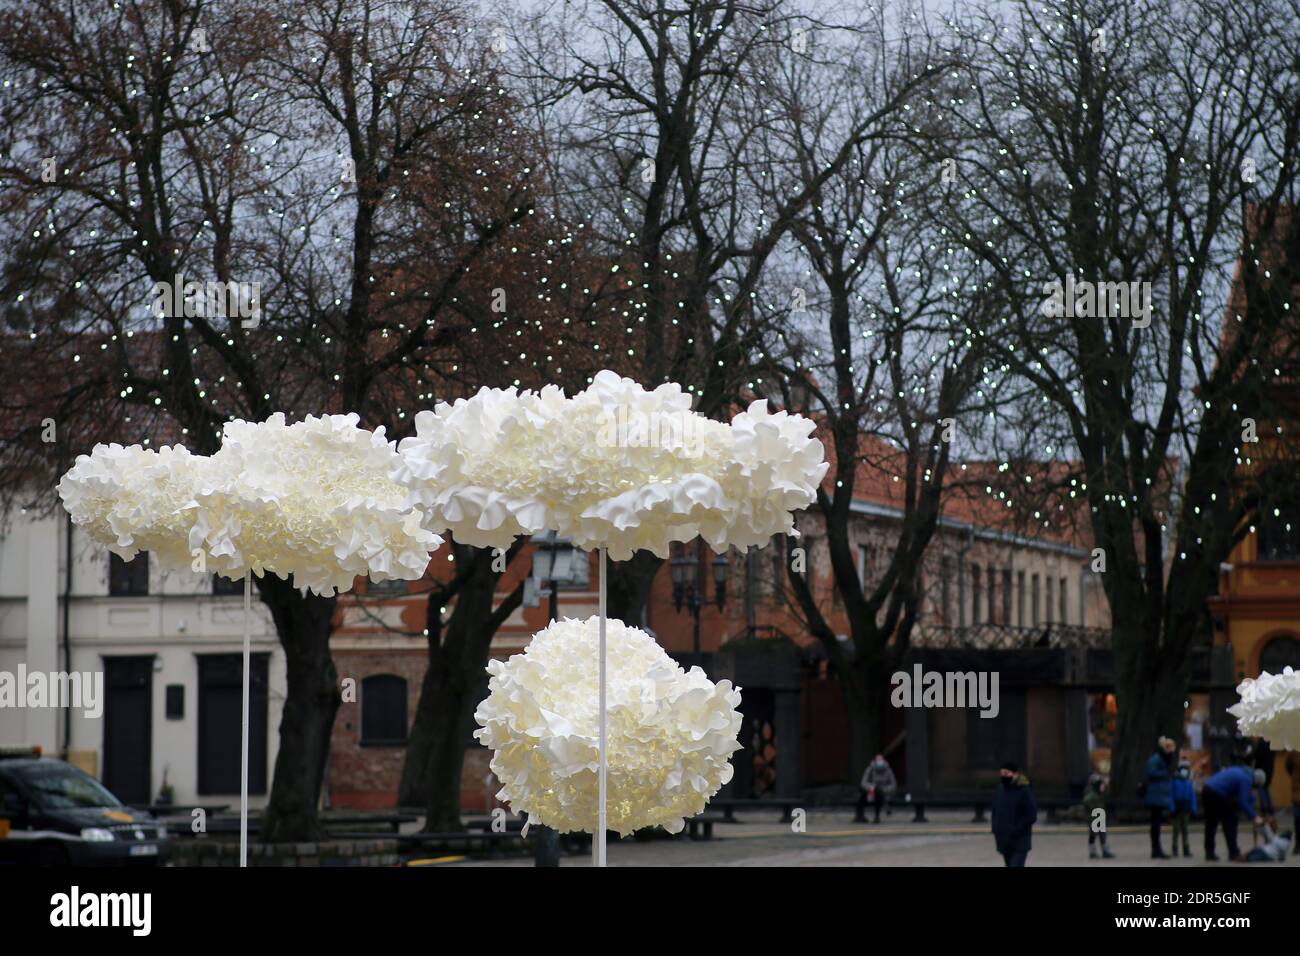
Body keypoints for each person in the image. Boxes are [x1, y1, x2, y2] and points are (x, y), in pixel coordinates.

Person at [1202, 764, 1266, 862]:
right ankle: (1233, 853)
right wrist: (1254, 817)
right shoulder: (1247, 779)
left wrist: (1251, 806)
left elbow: (1247, 796)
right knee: (1230, 823)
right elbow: (1243, 801)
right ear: (1256, 782)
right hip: (1218, 794)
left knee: (1211, 824)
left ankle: (1209, 853)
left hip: (1207, 789)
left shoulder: (1241, 770)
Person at [991, 760, 1037, 867]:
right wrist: (995, 828)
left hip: (1019, 840)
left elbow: (1031, 815)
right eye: (1002, 774)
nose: (1003, 776)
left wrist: (1016, 829)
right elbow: (995, 810)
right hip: (1004, 840)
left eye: (1006, 773)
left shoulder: (1024, 789)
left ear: (1015, 774)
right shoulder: (1000, 789)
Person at [1141, 736, 1177, 859]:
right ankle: (1156, 849)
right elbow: (1150, 773)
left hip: (1159, 794)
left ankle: (1157, 849)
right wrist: (1165, 773)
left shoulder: (1162, 759)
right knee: (1155, 823)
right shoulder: (1156, 759)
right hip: (1155, 794)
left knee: (1157, 823)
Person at [1081, 772, 1115, 859]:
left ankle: (1104, 850)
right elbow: (1087, 800)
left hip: (1100, 816)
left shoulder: (1098, 792)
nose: (1102, 786)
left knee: (1103, 834)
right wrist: (1095, 808)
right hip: (1093, 818)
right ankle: (1093, 852)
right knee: (1093, 834)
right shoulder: (1092, 794)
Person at [856, 754, 897, 823]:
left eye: (881, 759)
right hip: (871, 792)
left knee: (879, 792)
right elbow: (863, 783)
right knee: (873, 791)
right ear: (875, 761)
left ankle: (877, 816)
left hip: (884, 793)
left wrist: (883, 789)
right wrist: (871, 787)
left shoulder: (888, 770)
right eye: (878, 759)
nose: (879, 761)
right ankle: (885, 808)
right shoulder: (870, 769)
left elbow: (893, 785)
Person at [1170, 761, 1198, 858]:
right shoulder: (1174, 781)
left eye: (1187, 769)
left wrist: (1193, 809)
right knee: (1176, 830)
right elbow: (1171, 796)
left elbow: (1192, 797)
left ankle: (1186, 849)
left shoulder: (1188, 783)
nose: (1185, 771)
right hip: (1177, 808)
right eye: (1184, 768)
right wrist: (1172, 808)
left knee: (1185, 829)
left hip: (1186, 809)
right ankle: (1175, 849)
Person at [1286, 751, 1300, 856]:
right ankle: (1298, 844)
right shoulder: (1294, 751)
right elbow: (1288, 766)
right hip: (1297, 792)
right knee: (1298, 819)